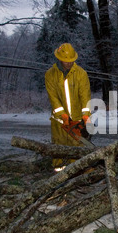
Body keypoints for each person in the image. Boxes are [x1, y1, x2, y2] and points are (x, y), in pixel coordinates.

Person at [45, 43, 91, 172]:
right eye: (66, 61)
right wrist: (62, 115)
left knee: (77, 147)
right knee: (59, 146)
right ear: (59, 59)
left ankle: (76, 174)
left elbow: (85, 96)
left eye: (71, 61)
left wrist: (86, 115)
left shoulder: (81, 74)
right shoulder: (50, 75)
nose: (69, 63)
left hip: (77, 118)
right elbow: (53, 97)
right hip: (59, 120)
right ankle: (58, 174)